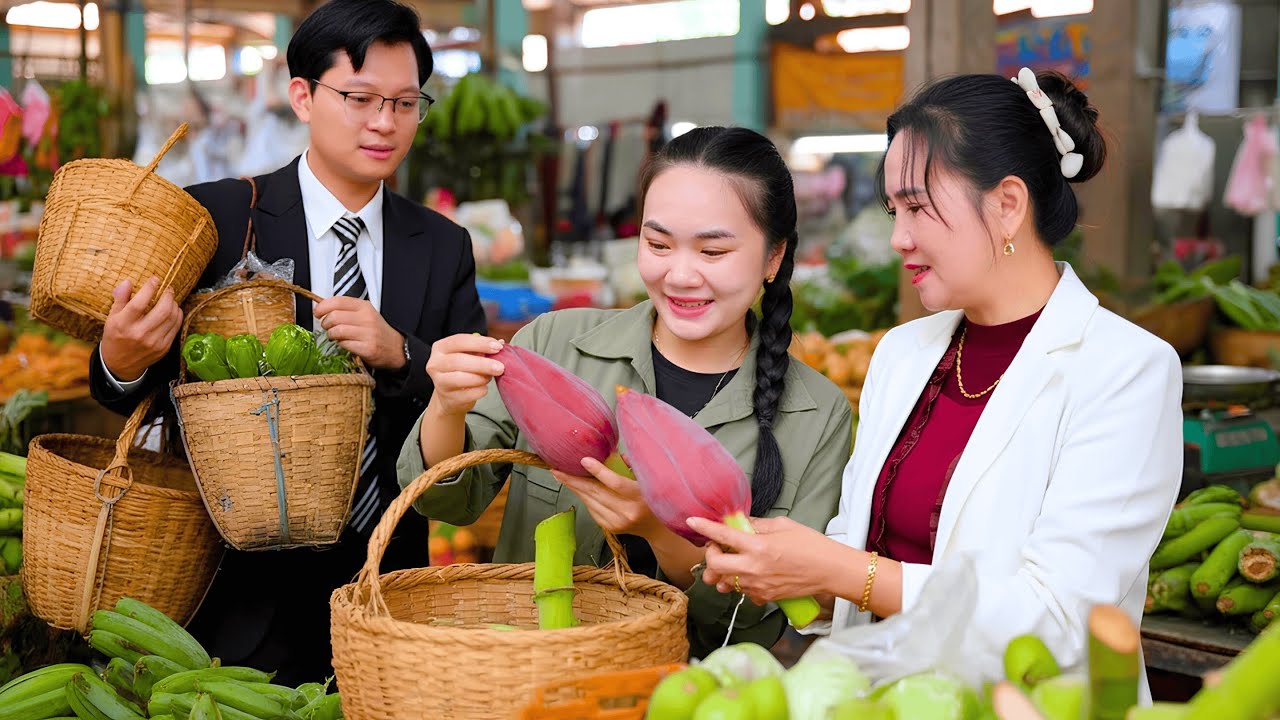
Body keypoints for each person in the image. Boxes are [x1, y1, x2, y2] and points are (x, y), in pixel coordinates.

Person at [689, 69, 1183, 694]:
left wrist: (845, 571)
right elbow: (863, 537)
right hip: (878, 697)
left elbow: (1060, 619)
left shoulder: (1126, 370)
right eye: (894, 210)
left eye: (918, 207)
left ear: (1006, 205)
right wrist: (787, 563)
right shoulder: (905, 352)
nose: (899, 238)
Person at [87, 0, 486, 684]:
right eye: (359, 98)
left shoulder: (443, 245)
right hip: (233, 596)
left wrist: (402, 352)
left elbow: (474, 400)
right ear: (303, 96)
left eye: (406, 101)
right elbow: (126, 382)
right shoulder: (217, 215)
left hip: (384, 583)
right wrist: (123, 357)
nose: (385, 122)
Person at [397, 126, 853, 658]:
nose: (680, 275)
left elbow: (756, 627)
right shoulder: (553, 342)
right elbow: (444, 500)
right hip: (524, 682)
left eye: (712, 251)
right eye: (657, 244)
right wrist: (447, 405)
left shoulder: (819, 414)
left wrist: (658, 530)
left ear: (773, 258)